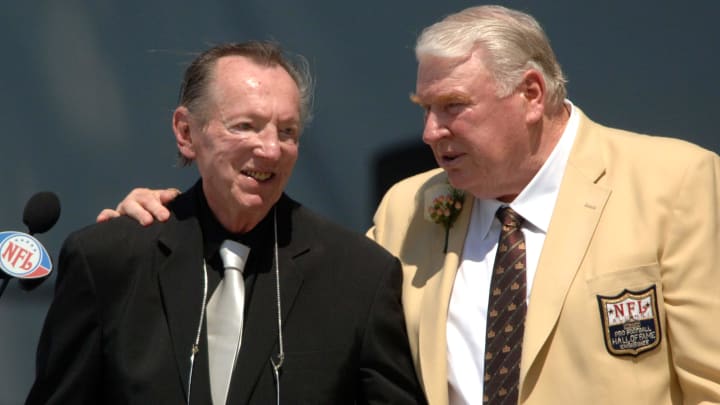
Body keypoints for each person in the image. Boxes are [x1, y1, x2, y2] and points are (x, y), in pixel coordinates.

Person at [98, 5, 720, 405]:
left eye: (452, 107)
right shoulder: (409, 208)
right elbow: (306, 295)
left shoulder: (675, 183)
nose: (429, 133)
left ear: (530, 93)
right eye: (425, 109)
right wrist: (176, 224)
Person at [27, 41, 426, 405]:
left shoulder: (358, 275)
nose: (270, 149)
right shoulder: (111, 260)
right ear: (186, 133)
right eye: (245, 126)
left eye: (287, 131)